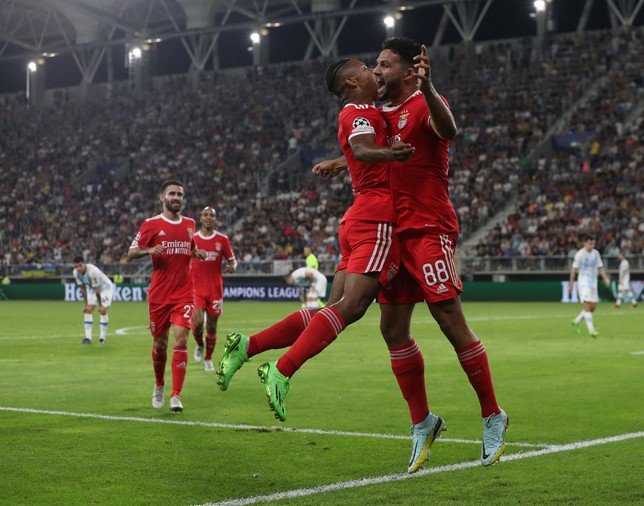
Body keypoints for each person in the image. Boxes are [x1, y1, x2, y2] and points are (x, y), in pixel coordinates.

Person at [216, 58, 426, 471]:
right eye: (367, 67)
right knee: (352, 308)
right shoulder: (361, 110)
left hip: (356, 218)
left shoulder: (358, 112)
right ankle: (282, 369)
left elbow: (357, 148)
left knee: (330, 309)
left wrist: (339, 159)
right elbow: (365, 147)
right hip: (378, 217)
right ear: (352, 80)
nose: (373, 72)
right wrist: (394, 154)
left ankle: (249, 345)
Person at [315, 39, 508, 467]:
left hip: (427, 226)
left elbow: (449, 130)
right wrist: (339, 160)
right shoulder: (377, 112)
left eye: (384, 64)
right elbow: (371, 149)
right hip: (392, 233)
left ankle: (493, 414)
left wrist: (431, 88)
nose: (377, 71)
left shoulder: (425, 103)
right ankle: (423, 421)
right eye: (375, 64)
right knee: (393, 330)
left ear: (407, 71)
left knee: (449, 320)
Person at [128, 180, 206, 412]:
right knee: (160, 345)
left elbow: (188, 247)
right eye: (172, 193)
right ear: (162, 197)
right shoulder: (150, 225)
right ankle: (159, 385)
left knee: (181, 339)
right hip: (159, 295)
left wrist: (196, 253)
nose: (176, 197)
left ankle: (176, 395)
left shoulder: (191, 224)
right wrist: (149, 250)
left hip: (184, 294)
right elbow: (131, 253)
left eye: (179, 194)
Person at [190, 206, 237, 372]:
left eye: (212, 215)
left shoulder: (222, 239)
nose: (208, 217)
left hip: (215, 290)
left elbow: (233, 261)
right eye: (205, 215)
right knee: (196, 325)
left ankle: (208, 359)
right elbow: (183, 257)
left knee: (211, 327)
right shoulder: (192, 238)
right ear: (200, 218)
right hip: (196, 290)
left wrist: (232, 267)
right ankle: (200, 345)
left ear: (215, 219)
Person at [569, 235, 611, 337]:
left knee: (593, 307)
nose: (592, 245)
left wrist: (605, 278)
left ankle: (577, 321)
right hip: (583, 282)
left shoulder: (596, 253)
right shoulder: (579, 255)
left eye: (593, 243)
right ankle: (591, 330)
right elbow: (574, 270)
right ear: (585, 243)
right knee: (587, 305)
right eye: (590, 243)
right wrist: (571, 284)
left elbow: (600, 267)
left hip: (593, 282)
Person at [72, 256, 114, 345]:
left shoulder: (92, 271)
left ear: (84, 264)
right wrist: (86, 304)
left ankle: (102, 338)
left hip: (106, 288)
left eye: (80, 265)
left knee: (102, 311)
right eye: (76, 267)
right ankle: (88, 338)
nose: (78, 268)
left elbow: (97, 291)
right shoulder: (76, 273)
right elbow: (83, 288)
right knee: (88, 310)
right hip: (93, 289)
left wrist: (101, 305)